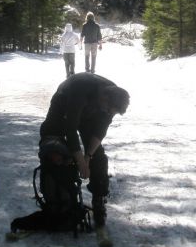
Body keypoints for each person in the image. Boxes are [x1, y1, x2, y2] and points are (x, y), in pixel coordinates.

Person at [39, 72, 130, 229]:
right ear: (105, 98)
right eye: (109, 110)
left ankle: (99, 199)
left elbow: (99, 132)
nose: (109, 114)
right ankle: (60, 201)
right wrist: (80, 162)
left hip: (90, 114)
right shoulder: (80, 90)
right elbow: (70, 129)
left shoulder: (113, 98)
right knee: (55, 149)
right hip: (63, 108)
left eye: (112, 113)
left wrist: (88, 156)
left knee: (99, 157)